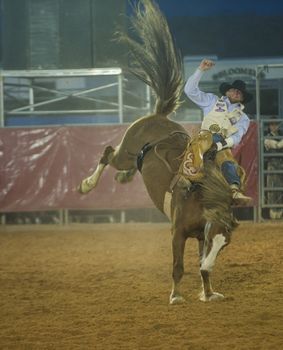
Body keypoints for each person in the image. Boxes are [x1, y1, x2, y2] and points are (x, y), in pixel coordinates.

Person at [183, 58, 253, 205]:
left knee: (227, 161)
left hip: (223, 142)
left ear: (243, 97)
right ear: (227, 91)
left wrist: (220, 145)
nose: (236, 92)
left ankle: (234, 189)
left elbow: (237, 137)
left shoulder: (244, 118)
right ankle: (186, 178)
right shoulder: (212, 101)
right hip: (205, 136)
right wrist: (200, 70)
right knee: (196, 149)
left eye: (239, 92)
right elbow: (189, 90)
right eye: (234, 89)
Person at [264, 117, 283, 219]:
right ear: (269, 126)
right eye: (272, 125)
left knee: (280, 190)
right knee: (272, 189)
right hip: (272, 166)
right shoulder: (267, 138)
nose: (274, 126)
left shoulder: (281, 135)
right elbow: (277, 145)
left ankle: (280, 213)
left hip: (281, 166)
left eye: (276, 124)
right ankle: (273, 214)